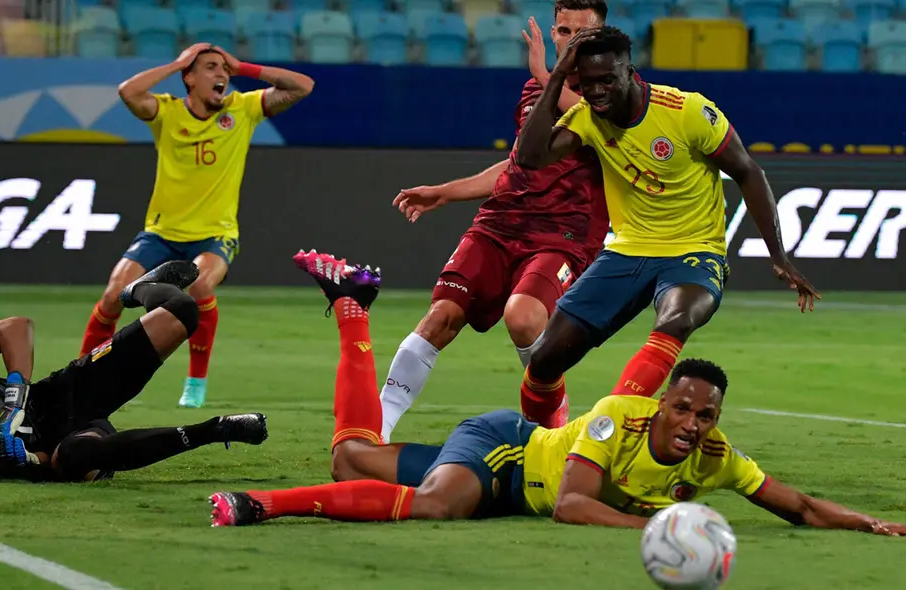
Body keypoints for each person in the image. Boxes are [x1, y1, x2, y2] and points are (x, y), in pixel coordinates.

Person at [208, 251, 903, 538]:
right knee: (439, 506)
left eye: (705, 415)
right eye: (682, 407)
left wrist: (870, 524)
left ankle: (354, 309)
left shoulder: (715, 457)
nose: (691, 423)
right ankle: (259, 504)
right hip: (506, 451)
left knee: (351, 459)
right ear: (660, 403)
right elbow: (571, 503)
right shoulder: (617, 420)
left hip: (507, 484)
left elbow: (798, 504)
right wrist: (658, 529)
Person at [512, 26, 820, 425]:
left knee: (675, 319)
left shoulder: (687, 111)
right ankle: (541, 447)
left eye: (608, 79)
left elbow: (748, 171)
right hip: (628, 250)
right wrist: (555, 77)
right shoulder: (586, 117)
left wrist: (778, 256)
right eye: (588, 83)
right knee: (543, 361)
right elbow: (529, 158)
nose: (598, 91)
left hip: (694, 251)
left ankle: (607, 431)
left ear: (631, 73)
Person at [379, 0, 610, 440]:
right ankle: (377, 428)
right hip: (501, 223)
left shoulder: (618, 91)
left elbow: (596, 123)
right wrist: (445, 191)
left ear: (601, 37)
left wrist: (548, 73)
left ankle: (549, 420)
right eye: (563, 30)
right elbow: (517, 164)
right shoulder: (533, 91)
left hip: (562, 235)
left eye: (583, 33)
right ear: (552, 31)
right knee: (439, 317)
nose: (571, 41)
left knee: (523, 318)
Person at [79, 43, 315, 409]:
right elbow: (128, 91)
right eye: (209, 68)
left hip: (215, 234)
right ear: (188, 77)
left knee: (200, 283)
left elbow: (303, 86)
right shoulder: (167, 113)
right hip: (160, 233)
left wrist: (243, 67)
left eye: (224, 69)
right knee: (112, 296)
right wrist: (175, 62)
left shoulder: (243, 108)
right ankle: (82, 375)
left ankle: (196, 381)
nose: (221, 75)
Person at [0, 261, 268, 483]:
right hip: (64, 447)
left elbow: (15, 328)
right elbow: (47, 467)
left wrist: (14, 400)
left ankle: (135, 290)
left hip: (59, 395)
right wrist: (24, 460)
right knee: (74, 458)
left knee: (182, 311)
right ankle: (216, 429)